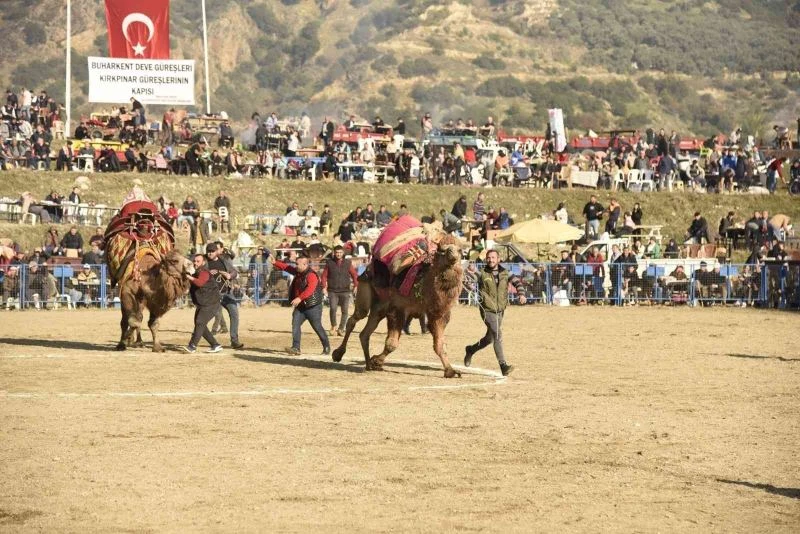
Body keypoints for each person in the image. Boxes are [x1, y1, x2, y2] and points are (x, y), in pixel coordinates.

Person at [464, 249, 526, 377]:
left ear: (498, 259)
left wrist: (521, 294)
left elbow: (517, 283)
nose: (490, 260)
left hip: (500, 310)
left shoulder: (506, 272)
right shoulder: (482, 273)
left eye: (493, 257)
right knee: (497, 334)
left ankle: (471, 349)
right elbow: (470, 281)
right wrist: (469, 283)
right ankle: (503, 366)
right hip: (486, 310)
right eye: (488, 258)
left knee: (490, 339)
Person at [270, 253, 330, 355]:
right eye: (296, 264)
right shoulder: (298, 272)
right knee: (295, 324)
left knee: (317, 327)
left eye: (298, 264)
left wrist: (299, 298)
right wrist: (275, 262)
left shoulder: (311, 275)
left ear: (305, 264)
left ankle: (326, 346)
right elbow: (287, 268)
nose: (296, 266)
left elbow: (310, 289)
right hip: (301, 306)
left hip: (313, 306)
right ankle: (296, 348)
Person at [182, 254, 223, 353]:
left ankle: (192, 346)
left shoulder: (204, 272)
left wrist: (189, 278)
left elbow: (200, 283)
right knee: (201, 325)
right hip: (203, 304)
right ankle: (215, 345)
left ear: (203, 262)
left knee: (200, 323)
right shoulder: (195, 273)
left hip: (211, 303)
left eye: (198, 261)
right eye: (194, 261)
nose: (195, 263)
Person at [206, 242, 243, 350]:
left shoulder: (224, 260)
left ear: (216, 252)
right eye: (208, 251)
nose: (210, 253)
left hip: (226, 293)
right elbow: (197, 271)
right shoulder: (204, 262)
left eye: (212, 251)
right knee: (205, 318)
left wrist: (229, 275)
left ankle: (234, 341)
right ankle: (196, 339)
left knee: (234, 313)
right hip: (212, 294)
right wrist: (208, 273)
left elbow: (234, 272)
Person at [321, 245, 358, 337]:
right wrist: (323, 287)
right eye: (337, 252)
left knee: (345, 311)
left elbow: (354, 274)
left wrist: (356, 285)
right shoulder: (329, 262)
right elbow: (324, 276)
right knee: (333, 309)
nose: (338, 254)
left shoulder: (348, 263)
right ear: (334, 253)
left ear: (343, 253)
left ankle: (341, 328)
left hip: (345, 290)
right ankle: (333, 326)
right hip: (332, 291)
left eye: (340, 252)